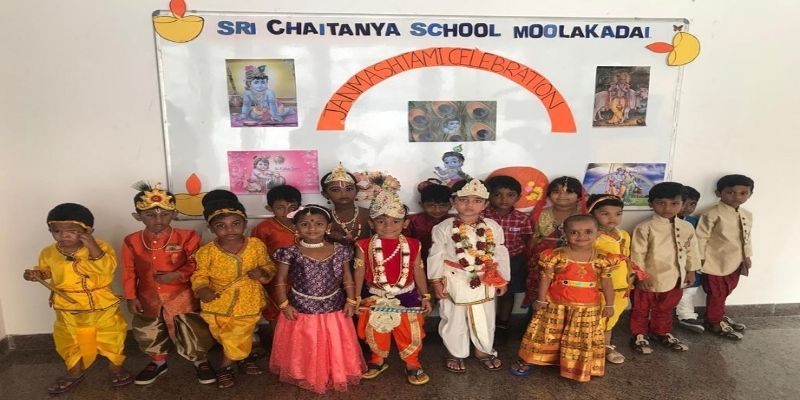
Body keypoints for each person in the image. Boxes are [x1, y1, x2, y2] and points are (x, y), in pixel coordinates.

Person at [23, 203, 133, 394]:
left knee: (112, 334)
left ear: (87, 231)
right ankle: (74, 372)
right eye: (57, 231)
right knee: (68, 338)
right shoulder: (49, 252)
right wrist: (36, 274)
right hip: (67, 306)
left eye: (71, 231)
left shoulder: (101, 247)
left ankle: (116, 369)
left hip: (101, 304)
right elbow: (46, 271)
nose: (63, 236)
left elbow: (107, 268)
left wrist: (92, 245)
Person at [121, 183, 214, 385]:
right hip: (148, 296)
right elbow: (128, 270)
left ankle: (200, 360)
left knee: (190, 328)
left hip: (182, 295)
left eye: (164, 214)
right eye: (150, 215)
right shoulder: (132, 241)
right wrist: (131, 296)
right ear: (137, 216)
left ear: (174, 214)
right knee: (149, 329)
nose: (158, 220)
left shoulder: (187, 236)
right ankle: (158, 362)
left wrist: (177, 275)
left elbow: (196, 263)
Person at [269, 205, 366, 394]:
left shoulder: (341, 250)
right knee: (306, 341)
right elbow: (280, 280)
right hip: (300, 306)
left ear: (328, 226)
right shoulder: (290, 252)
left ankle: (336, 371)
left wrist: (351, 300)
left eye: (318, 224)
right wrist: (284, 305)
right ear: (296, 227)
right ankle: (303, 372)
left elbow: (347, 277)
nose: (312, 228)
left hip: (334, 305)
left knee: (334, 340)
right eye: (305, 224)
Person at [511, 215, 619, 382]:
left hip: (587, 307)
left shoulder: (602, 259)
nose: (581, 236)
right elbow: (546, 278)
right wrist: (541, 299)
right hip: (556, 304)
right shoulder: (556, 256)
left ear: (598, 233)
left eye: (588, 232)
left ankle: (575, 365)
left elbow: (606, 283)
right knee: (546, 332)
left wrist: (610, 305)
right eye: (574, 232)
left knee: (579, 337)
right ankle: (530, 359)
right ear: (565, 234)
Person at [191, 190, 275, 388]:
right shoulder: (206, 252)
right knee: (225, 336)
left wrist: (262, 273)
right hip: (217, 302)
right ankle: (244, 358)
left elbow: (269, 266)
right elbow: (199, 274)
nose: (229, 230)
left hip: (248, 299)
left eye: (235, 223)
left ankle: (224, 367)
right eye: (221, 225)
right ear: (211, 228)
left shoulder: (255, 245)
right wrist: (202, 288)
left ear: (245, 224)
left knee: (238, 333)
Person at [427, 179, 510, 373]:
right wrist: (436, 282)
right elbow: (436, 255)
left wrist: (503, 278)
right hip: (455, 278)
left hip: (485, 278)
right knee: (454, 317)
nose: (470, 205)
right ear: (453, 202)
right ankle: (455, 352)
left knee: (486, 317)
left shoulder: (492, 226)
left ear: (485, 204)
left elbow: (500, 252)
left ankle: (483, 351)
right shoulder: (444, 227)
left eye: (477, 200)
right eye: (463, 200)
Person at [354, 188, 433, 385]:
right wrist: (355, 297)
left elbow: (418, 270)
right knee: (376, 330)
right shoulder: (363, 245)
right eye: (381, 221)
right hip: (376, 294)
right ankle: (377, 360)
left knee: (409, 331)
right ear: (371, 223)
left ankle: (412, 363)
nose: (388, 226)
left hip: (406, 294)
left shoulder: (413, 244)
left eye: (396, 221)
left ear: (405, 223)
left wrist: (425, 296)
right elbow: (359, 272)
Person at [629, 182, 701, 354]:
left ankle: (661, 332)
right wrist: (641, 277)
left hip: (675, 277)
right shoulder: (645, 227)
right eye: (661, 203)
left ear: (682, 204)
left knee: (666, 307)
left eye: (674, 203)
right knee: (641, 308)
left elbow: (692, 250)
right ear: (651, 203)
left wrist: (691, 271)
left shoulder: (687, 227)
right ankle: (639, 335)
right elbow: (637, 253)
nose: (667, 208)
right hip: (649, 278)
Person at [696, 174, 754, 340]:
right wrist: (699, 258)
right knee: (717, 292)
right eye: (730, 192)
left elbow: (747, 237)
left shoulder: (746, 214)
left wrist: (747, 256)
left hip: (736, 261)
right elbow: (701, 237)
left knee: (727, 290)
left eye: (743, 193)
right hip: (715, 261)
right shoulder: (712, 213)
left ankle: (718, 315)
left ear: (750, 194)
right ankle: (714, 321)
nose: (737, 197)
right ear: (718, 193)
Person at [587, 194, 642, 364]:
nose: (613, 218)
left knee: (611, 318)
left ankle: (606, 346)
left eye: (618, 214)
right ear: (591, 214)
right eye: (605, 214)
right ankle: (588, 349)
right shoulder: (590, 236)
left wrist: (630, 279)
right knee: (595, 318)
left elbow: (627, 258)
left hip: (621, 286)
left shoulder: (623, 235)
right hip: (599, 287)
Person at [482, 175, 533, 343]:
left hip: (512, 260)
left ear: (518, 197)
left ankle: (503, 324)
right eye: (497, 194)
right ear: (489, 196)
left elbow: (526, 239)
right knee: (484, 292)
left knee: (508, 293)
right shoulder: (481, 216)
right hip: (485, 262)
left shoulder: (522, 218)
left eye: (510, 195)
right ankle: (484, 323)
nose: (504, 199)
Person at [523, 176, 584, 307]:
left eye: (569, 192)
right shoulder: (541, 214)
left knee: (566, 294)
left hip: (571, 263)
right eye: (556, 192)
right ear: (549, 194)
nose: (562, 195)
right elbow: (533, 238)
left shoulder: (583, 217)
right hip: (542, 263)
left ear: (579, 196)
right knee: (540, 295)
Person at [250, 184, 301, 322]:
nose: (287, 212)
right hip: (275, 276)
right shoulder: (264, 228)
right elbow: (255, 253)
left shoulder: (305, 224)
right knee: (277, 311)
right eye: (280, 208)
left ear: (299, 207)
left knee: (300, 312)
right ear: (270, 208)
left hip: (302, 276)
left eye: (292, 208)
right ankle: (277, 336)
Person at [402, 179, 452, 273]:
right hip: (418, 266)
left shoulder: (454, 222)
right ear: (421, 205)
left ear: (451, 205)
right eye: (431, 205)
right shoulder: (412, 222)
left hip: (448, 268)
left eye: (442, 205)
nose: (437, 210)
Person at [676, 186, 705, 333]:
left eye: (692, 204)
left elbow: (700, 244)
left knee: (689, 290)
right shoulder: (663, 221)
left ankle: (686, 316)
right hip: (670, 264)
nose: (687, 208)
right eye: (684, 203)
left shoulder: (695, 222)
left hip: (691, 263)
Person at [321, 162, 372, 246]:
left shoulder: (368, 214)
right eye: (336, 190)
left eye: (349, 189)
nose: (344, 194)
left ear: (357, 191)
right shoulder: (324, 218)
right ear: (325, 194)